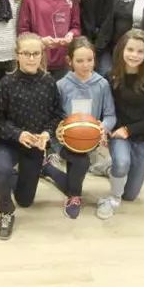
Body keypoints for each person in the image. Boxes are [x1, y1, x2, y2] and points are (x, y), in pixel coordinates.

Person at [0, 33, 64, 240]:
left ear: (42, 55)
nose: (31, 58)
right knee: (0, 170)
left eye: (36, 54)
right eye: (26, 53)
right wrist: (18, 134)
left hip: (35, 146)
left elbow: (56, 115)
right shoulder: (6, 83)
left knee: (25, 200)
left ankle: (28, 172)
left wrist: (46, 134)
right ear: (17, 55)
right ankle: (5, 212)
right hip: (9, 142)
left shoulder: (49, 83)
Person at [41, 37, 116, 219]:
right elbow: (51, 116)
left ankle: (48, 169)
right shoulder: (60, 85)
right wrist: (57, 130)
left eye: (89, 60)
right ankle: (74, 196)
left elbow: (110, 116)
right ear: (70, 61)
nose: (85, 65)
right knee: (82, 162)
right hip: (64, 141)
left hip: (89, 140)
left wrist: (103, 127)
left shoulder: (102, 85)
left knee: (81, 161)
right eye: (80, 61)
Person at [97, 29, 144, 220]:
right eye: (130, 49)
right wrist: (107, 130)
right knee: (123, 163)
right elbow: (105, 110)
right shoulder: (110, 77)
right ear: (121, 50)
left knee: (131, 195)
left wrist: (129, 130)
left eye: (140, 51)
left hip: (143, 138)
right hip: (118, 135)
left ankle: (109, 168)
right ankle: (113, 197)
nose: (134, 55)